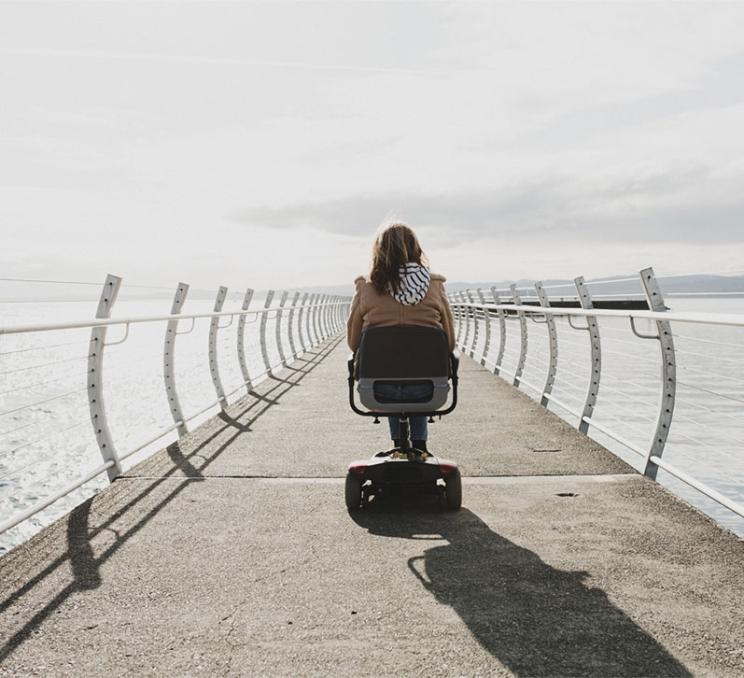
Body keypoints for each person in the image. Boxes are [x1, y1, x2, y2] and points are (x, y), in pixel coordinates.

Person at [347, 221, 456, 452]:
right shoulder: (435, 286)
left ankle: (398, 446)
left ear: (380, 251)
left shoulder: (366, 287)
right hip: (429, 389)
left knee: (387, 368)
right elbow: (449, 343)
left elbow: (353, 342)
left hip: (376, 390)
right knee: (418, 371)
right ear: (416, 249)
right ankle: (420, 447)